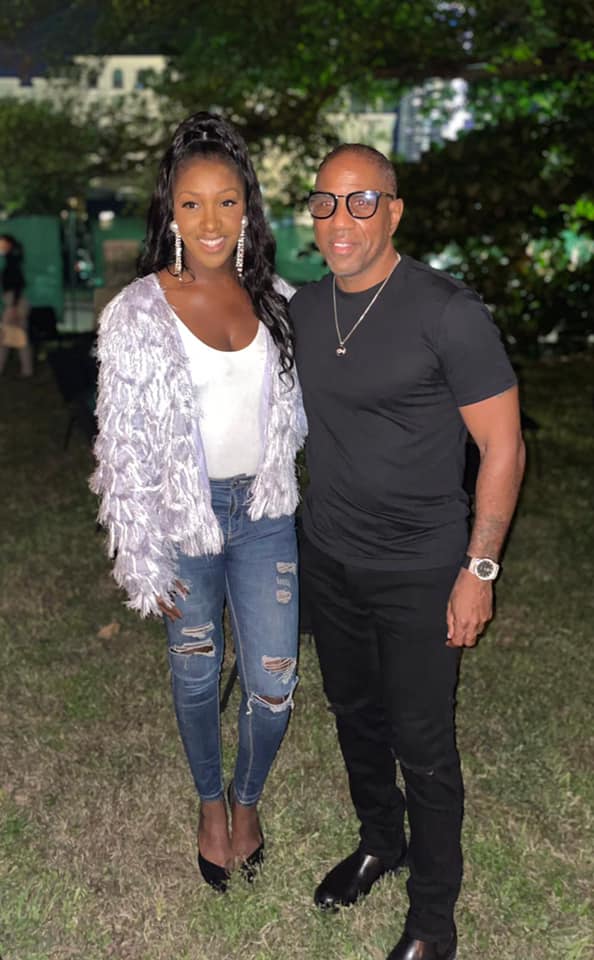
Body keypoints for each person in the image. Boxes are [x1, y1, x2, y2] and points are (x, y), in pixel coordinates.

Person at [291, 144, 525, 960]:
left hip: (422, 568)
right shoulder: (304, 308)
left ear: (393, 211)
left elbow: (503, 447)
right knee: (355, 714)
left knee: (423, 745)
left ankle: (433, 922)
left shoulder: (447, 312)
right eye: (326, 202)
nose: (341, 220)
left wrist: (478, 570)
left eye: (362, 201)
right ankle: (378, 842)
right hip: (329, 555)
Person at [91, 112, 306, 893]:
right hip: (184, 517)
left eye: (226, 201)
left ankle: (248, 801)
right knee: (194, 672)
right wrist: (141, 556)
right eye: (192, 203)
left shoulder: (278, 301)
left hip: (265, 511)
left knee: (274, 684)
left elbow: (304, 415)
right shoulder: (137, 312)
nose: (210, 220)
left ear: (247, 208)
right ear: (171, 212)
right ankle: (212, 808)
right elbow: (120, 448)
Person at [0, 234, 33, 377]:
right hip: (15, 302)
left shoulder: (12, 262)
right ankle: (27, 369)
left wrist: (14, 306)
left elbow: (17, 285)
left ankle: (26, 369)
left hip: (15, 303)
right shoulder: (12, 260)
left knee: (9, 336)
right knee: (16, 336)